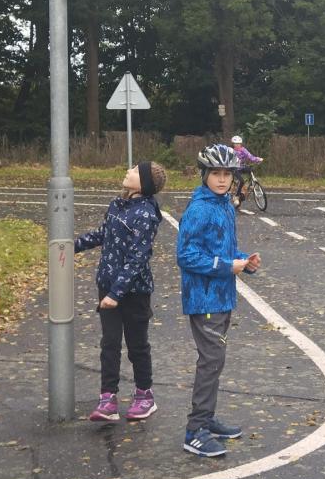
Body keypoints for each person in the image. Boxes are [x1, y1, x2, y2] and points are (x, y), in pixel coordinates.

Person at [176, 144, 262, 457]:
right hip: (204, 298)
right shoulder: (200, 209)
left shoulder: (224, 204)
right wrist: (227, 266)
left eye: (227, 174)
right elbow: (186, 255)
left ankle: (207, 419)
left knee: (216, 360)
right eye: (216, 173)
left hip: (223, 296)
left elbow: (223, 249)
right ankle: (195, 430)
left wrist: (244, 261)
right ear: (204, 175)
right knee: (211, 360)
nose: (222, 179)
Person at [76, 160, 167, 423]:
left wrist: (116, 294)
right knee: (110, 344)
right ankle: (108, 399)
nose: (128, 171)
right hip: (107, 286)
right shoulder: (117, 205)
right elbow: (103, 234)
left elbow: (138, 258)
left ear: (144, 183)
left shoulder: (146, 215)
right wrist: (72, 246)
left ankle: (144, 395)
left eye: (135, 171)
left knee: (137, 345)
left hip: (134, 292)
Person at [229, 135, 263, 207]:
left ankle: (251, 184)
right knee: (241, 181)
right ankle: (236, 196)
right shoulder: (231, 151)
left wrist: (257, 159)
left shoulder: (243, 150)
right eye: (236, 143)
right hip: (234, 168)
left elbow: (250, 156)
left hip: (242, 167)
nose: (237, 145)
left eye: (239, 143)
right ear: (233, 144)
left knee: (250, 170)